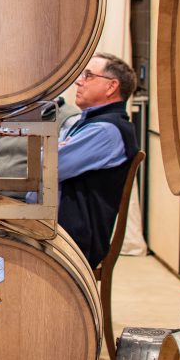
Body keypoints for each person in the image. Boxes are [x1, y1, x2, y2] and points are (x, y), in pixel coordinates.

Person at [28, 53, 140, 267]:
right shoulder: (86, 122)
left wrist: (52, 150)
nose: (79, 81)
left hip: (73, 239)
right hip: (56, 228)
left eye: (88, 75)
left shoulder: (106, 130)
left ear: (111, 86)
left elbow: (47, 165)